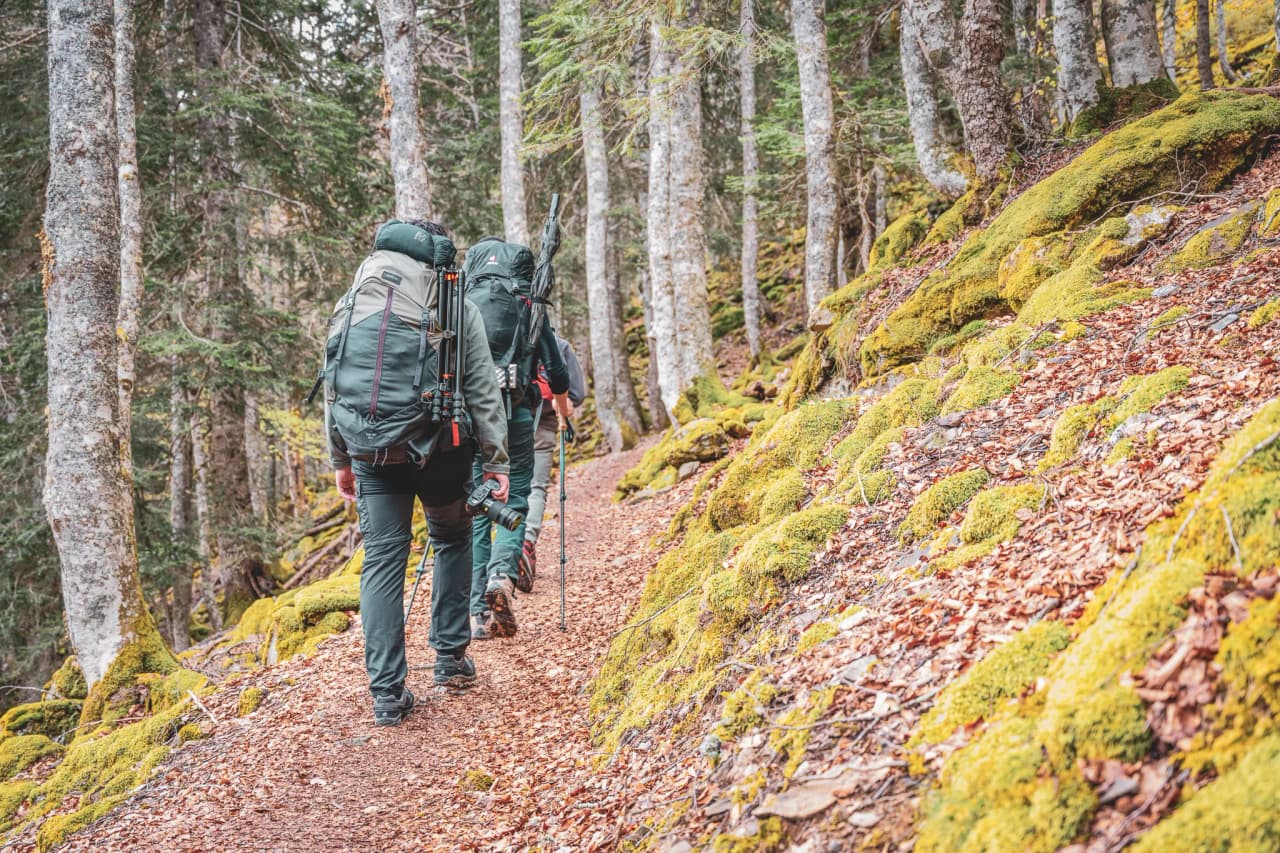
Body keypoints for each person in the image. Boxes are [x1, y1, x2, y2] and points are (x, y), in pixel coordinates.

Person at [324, 219, 511, 727]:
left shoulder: (354, 299)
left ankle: (387, 693)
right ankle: (449, 659)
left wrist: (340, 458)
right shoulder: (453, 304)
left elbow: (332, 383)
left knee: (383, 559)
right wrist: (495, 462)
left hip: (368, 451)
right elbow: (482, 390)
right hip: (440, 448)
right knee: (452, 539)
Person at [463, 237, 574, 640]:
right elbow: (558, 374)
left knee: (478, 505)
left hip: (470, 419)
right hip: (518, 415)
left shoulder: (463, 304)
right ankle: (501, 576)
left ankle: (477, 611)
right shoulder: (529, 305)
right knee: (516, 495)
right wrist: (562, 409)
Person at [519, 334, 587, 587]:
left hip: (507, 420)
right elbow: (577, 393)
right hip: (545, 423)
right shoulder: (558, 345)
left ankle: (502, 550)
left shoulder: (508, 337)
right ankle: (526, 542)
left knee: (505, 485)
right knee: (536, 487)